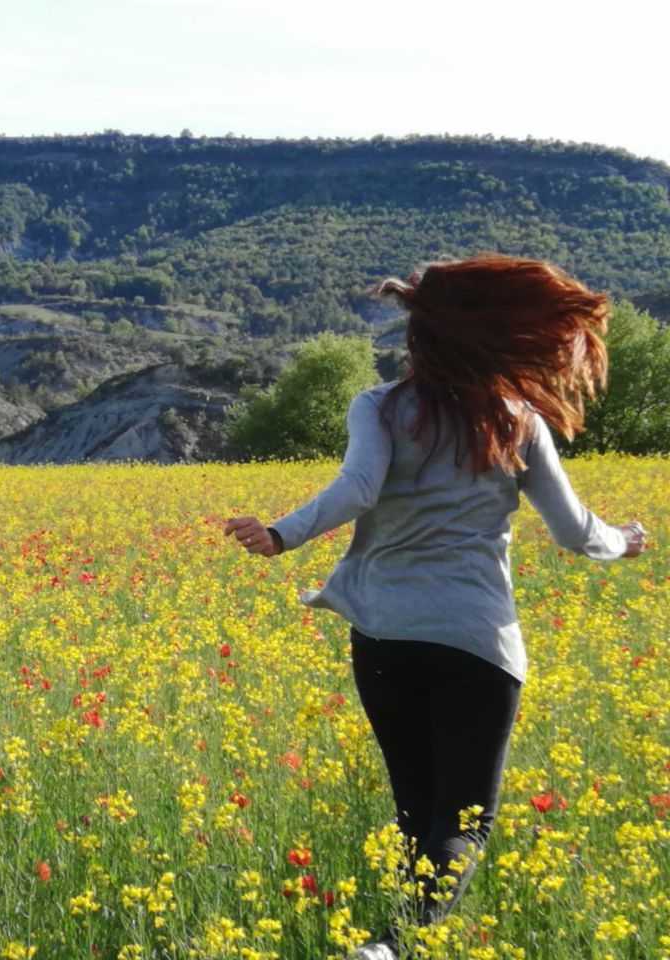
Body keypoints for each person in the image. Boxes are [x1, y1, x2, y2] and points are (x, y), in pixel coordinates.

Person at [222, 254, 647, 960]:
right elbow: (576, 533)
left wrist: (278, 535)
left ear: (422, 336)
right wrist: (624, 541)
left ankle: (393, 943)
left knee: (417, 808)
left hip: (384, 637)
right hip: (478, 643)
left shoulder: (380, 407)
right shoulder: (519, 421)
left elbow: (357, 490)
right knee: (465, 821)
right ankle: (393, 946)